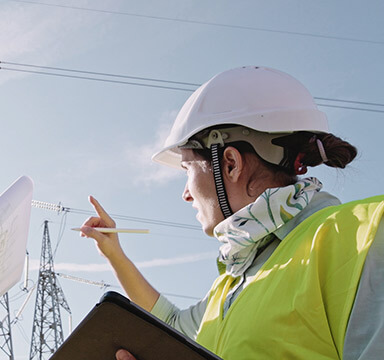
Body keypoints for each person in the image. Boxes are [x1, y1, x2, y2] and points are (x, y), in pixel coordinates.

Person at [79, 66, 383, 359]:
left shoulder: (365, 237)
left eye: (187, 170)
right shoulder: (231, 285)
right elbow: (171, 327)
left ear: (230, 163)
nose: (185, 193)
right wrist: (113, 252)